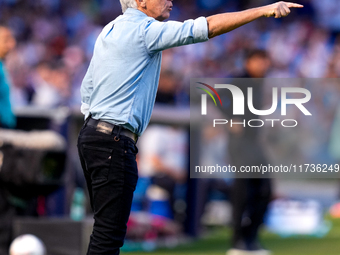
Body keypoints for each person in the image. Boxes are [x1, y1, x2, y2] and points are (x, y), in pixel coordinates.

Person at [77, 1, 303, 254]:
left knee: (104, 230)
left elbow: (87, 91)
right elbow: (205, 28)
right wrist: (262, 10)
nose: (170, 1)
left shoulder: (109, 29)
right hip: (114, 140)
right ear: (140, 1)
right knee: (109, 235)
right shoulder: (144, 29)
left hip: (91, 135)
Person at [226, 49, 272, 255]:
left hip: (254, 144)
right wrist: (229, 119)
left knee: (264, 189)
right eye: (260, 61)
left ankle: (251, 237)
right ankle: (238, 241)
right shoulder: (238, 80)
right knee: (243, 191)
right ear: (249, 62)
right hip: (239, 144)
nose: (264, 65)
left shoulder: (259, 83)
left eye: (266, 61)